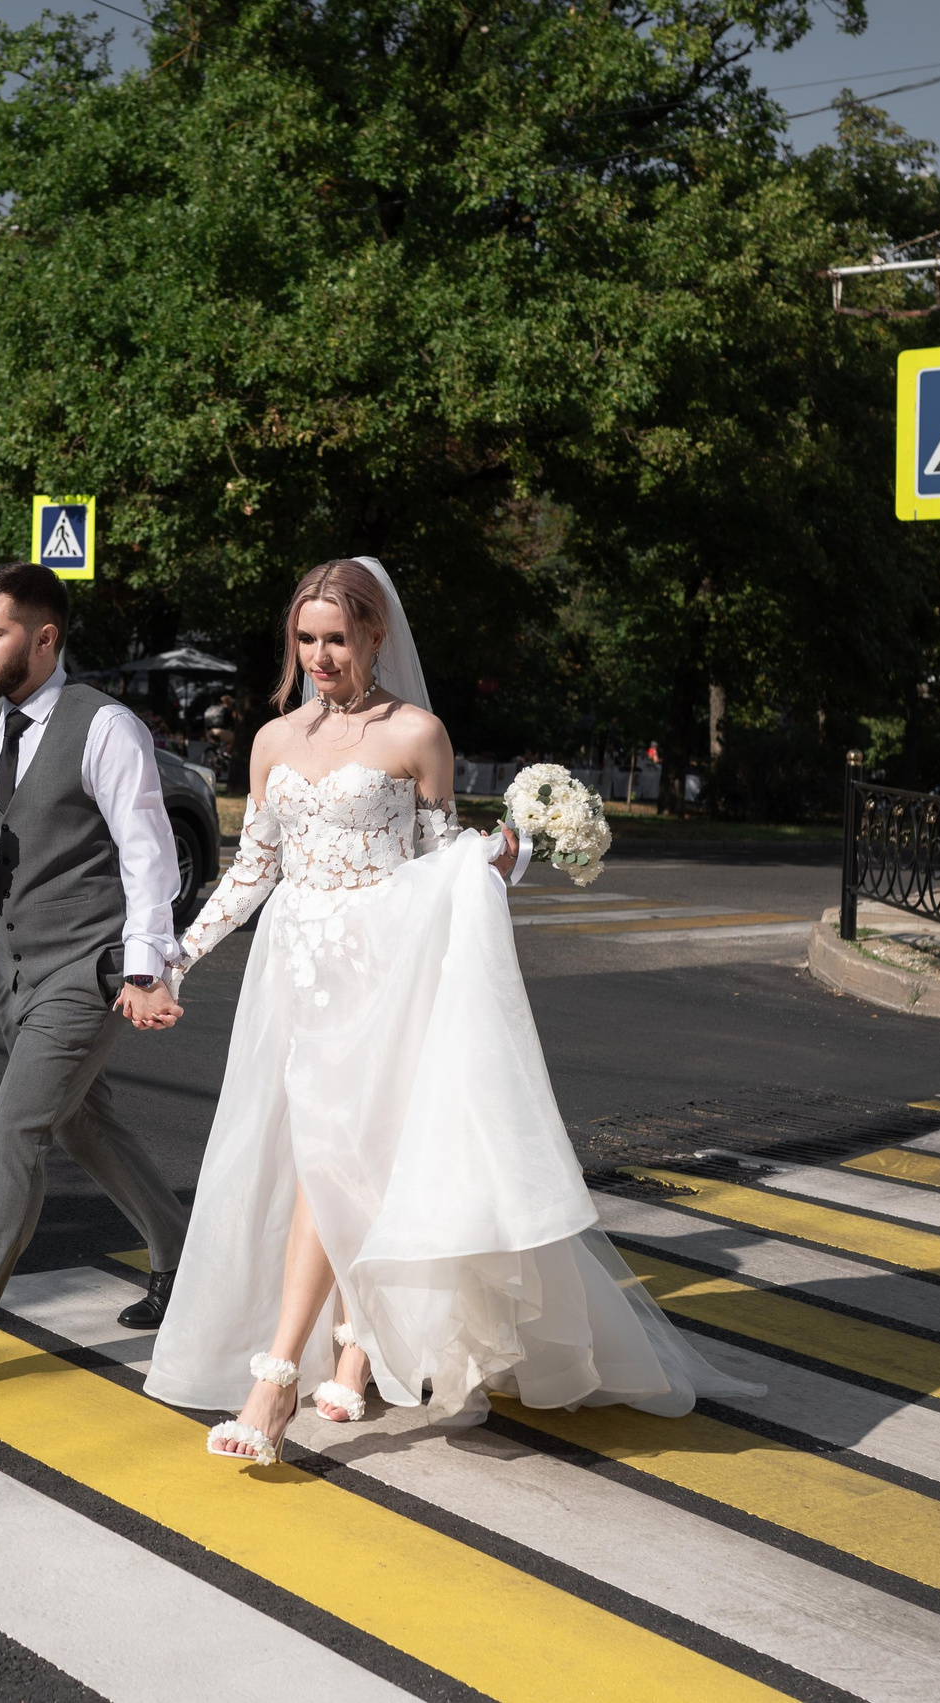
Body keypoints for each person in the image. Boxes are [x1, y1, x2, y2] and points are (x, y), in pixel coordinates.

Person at [140, 558, 757, 1464]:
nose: (319, 657)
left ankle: (278, 1380)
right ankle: (353, 1347)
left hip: (389, 966)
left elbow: (443, 859)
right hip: (297, 974)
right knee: (333, 1155)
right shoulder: (273, 740)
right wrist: (177, 959)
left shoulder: (417, 733)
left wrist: (504, 855)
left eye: (336, 639)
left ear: (375, 636)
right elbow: (253, 869)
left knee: (339, 1155)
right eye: (306, 639)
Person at [0, 563, 194, 1387]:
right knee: (85, 1122)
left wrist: (147, 966)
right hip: (13, 969)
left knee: (18, 1128)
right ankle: (184, 1257)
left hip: (88, 969)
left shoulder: (105, 727)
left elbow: (149, 854)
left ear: (44, 638)